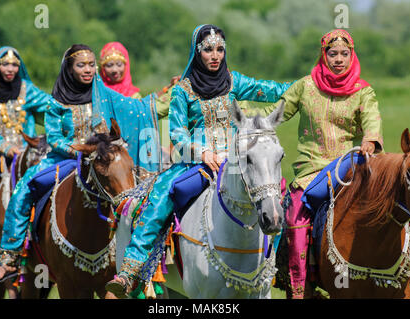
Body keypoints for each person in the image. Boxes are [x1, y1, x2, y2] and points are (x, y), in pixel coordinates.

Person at [105, 24, 292, 298]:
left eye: (219, 49)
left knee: (275, 194)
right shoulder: (183, 90)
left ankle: (280, 270)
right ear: (197, 52)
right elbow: (177, 133)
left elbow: (274, 89)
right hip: (197, 164)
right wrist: (202, 152)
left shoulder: (234, 81)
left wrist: (307, 86)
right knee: (161, 197)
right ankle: (128, 273)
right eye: (208, 50)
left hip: (236, 162)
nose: (214, 55)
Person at [0, 44, 164, 283]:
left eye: (92, 65)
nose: (88, 69)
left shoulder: (104, 93)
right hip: (65, 159)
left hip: (101, 159)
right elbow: (53, 136)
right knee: (24, 187)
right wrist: (74, 150)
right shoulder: (57, 101)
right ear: (69, 68)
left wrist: (167, 94)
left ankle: (143, 259)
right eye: (81, 65)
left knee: (135, 189)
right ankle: (11, 257)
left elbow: (135, 108)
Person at [265, 29, 384, 298]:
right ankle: (298, 288)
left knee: (394, 198)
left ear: (352, 56)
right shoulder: (305, 87)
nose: (339, 59)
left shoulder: (363, 91)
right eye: (333, 54)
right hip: (311, 170)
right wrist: (243, 118)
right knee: (295, 217)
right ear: (323, 55)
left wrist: (370, 139)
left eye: (344, 54)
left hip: (350, 166)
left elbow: (372, 119)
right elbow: (275, 114)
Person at [0, 47, 51, 255]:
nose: (11, 69)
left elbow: (52, 105)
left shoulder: (27, 89)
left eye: (15, 64)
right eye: (5, 64)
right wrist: (6, 148)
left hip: (29, 153)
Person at [99, 41, 180, 166]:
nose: (115, 70)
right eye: (109, 65)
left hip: (136, 151)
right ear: (102, 68)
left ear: (126, 66)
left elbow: (146, 107)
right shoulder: (97, 93)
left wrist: (173, 89)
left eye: (119, 64)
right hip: (104, 153)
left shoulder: (133, 95)